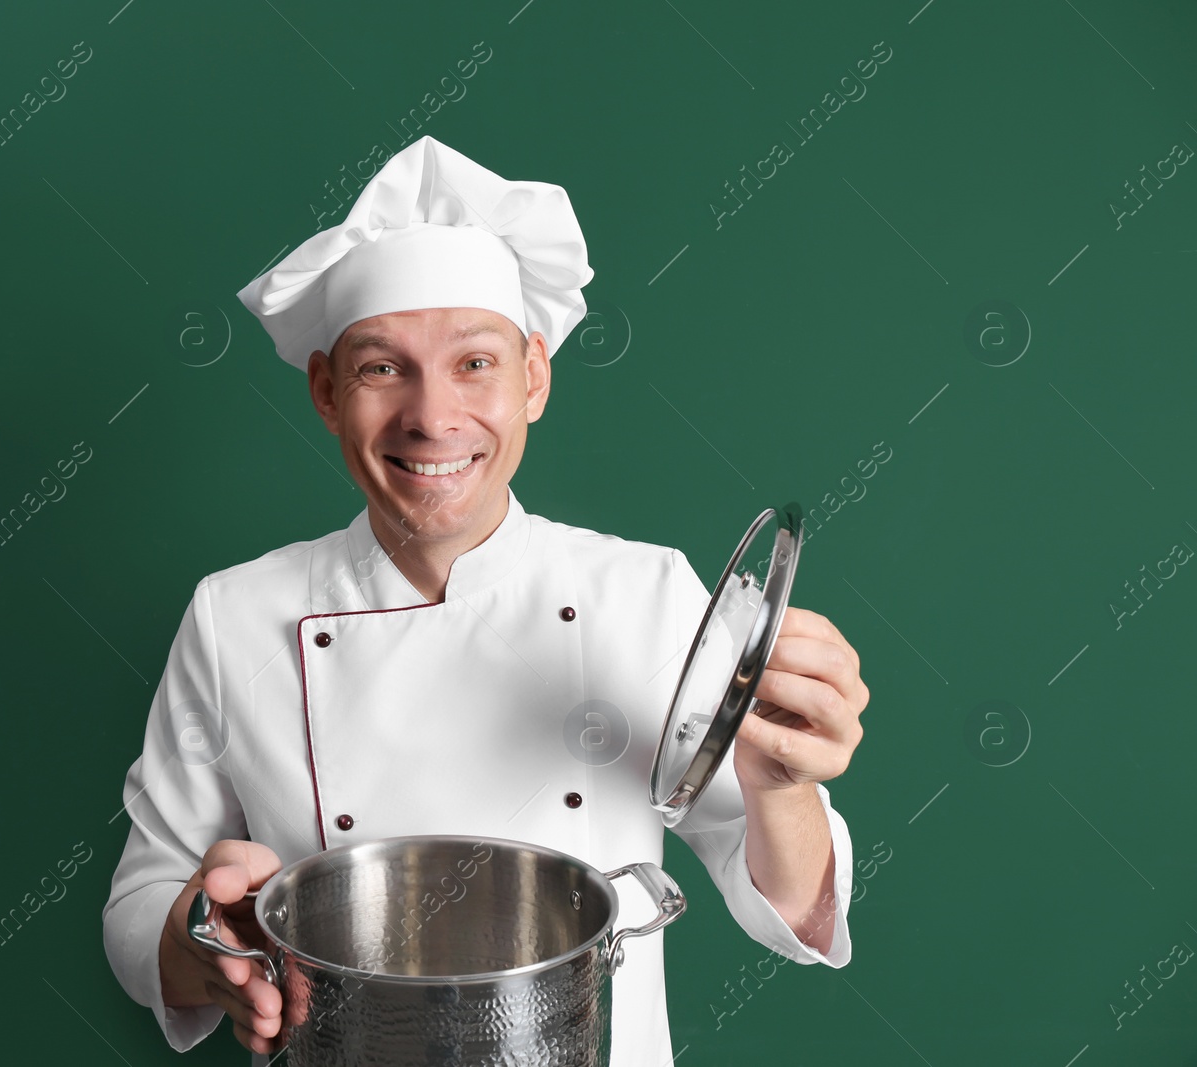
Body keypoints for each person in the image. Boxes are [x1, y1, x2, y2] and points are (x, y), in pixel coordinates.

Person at [102, 135, 868, 1065]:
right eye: (384, 367)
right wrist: (204, 943)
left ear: (534, 378)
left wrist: (780, 783)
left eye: (475, 364)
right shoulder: (235, 616)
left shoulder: (647, 592)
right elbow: (142, 908)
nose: (432, 417)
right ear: (326, 391)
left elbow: (794, 909)